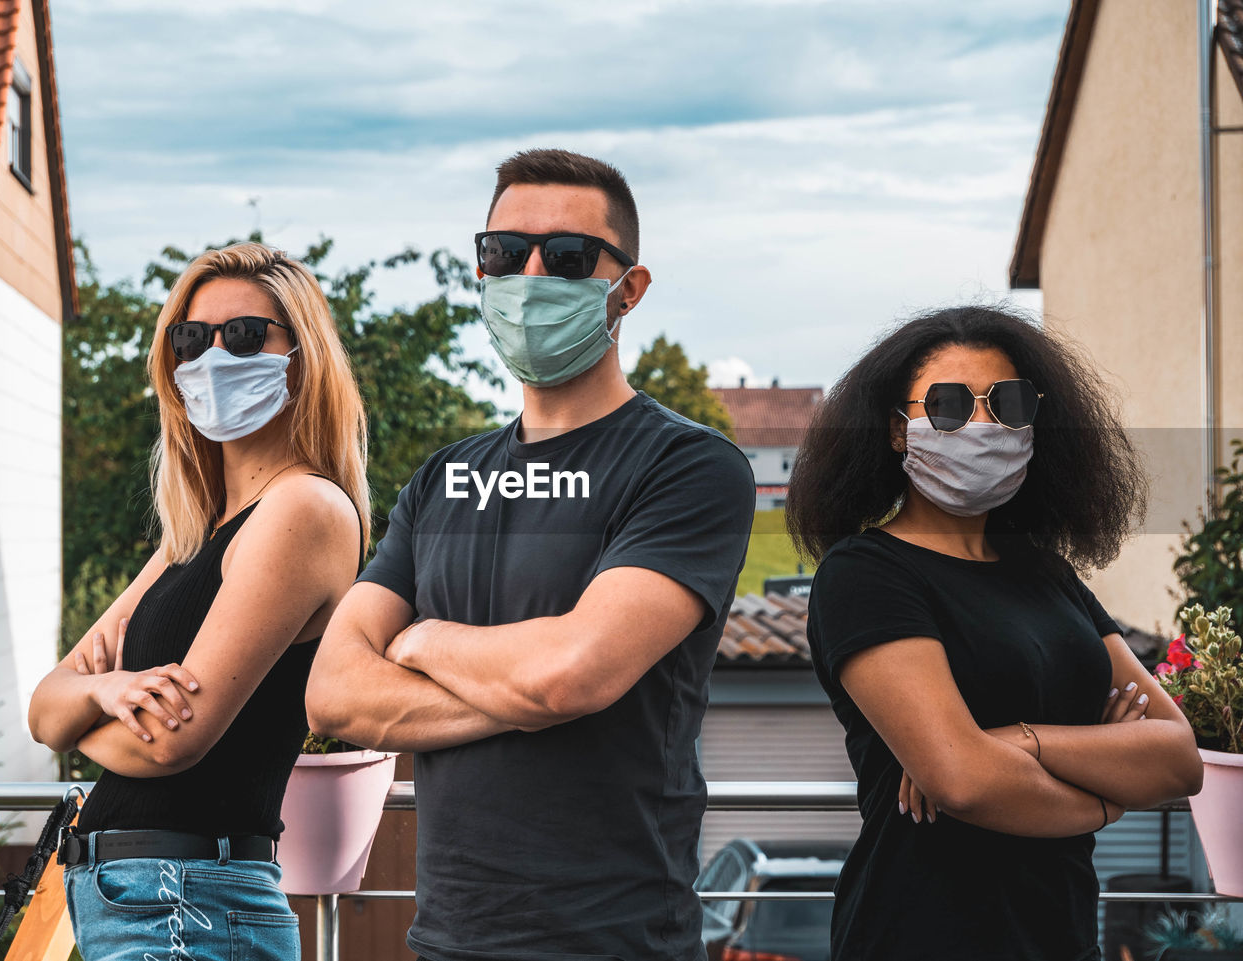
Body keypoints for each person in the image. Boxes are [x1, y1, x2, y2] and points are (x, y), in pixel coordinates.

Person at [306, 148, 756, 961]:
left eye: (570, 256)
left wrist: (422, 641)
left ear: (630, 287)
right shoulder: (444, 478)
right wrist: (541, 692)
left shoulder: (688, 466)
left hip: (617, 940)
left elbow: (572, 674)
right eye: (504, 253)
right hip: (448, 939)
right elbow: (334, 694)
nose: (532, 274)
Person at [784, 305, 1203, 961]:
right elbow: (961, 781)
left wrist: (1020, 740)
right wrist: (1108, 795)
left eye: (1007, 403)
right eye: (949, 404)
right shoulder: (864, 574)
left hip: (1061, 937)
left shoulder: (1047, 573)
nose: (982, 424)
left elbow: (1178, 756)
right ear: (899, 429)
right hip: (918, 937)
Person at [28, 242, 369, 961]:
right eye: (191, 338)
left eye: (244, 335)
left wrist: (83, 706)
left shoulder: (303, 508)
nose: (214, 356)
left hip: (188, 906)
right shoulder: (196, 527)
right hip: (138, 903)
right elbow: (41, 708)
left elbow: (170, 740)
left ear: (301, 357)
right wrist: (113, 690)